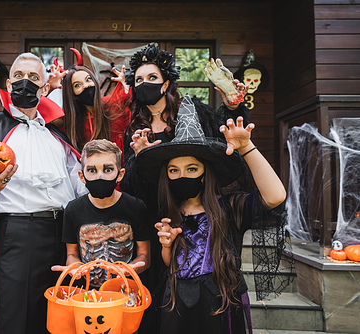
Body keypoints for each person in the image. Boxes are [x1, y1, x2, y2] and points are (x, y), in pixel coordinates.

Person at [119, 44, 250, 324]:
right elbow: (132, 187)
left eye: (152, 78)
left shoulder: (193, 112)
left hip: (198, 216)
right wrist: (139, 158)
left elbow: (224, 142)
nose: (145, 85)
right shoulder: (133, 128)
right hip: (159, 222)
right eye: (139, 80)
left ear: (166, 83)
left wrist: (233, 103)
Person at [134, 95, 287, 333]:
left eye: (191, 169)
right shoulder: (168, 212)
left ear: (206, 173)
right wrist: (167, 246)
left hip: (219, 306)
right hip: (176, 303)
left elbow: (275, 196)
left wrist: (246, 147)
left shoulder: (229, 207)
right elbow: (171, 263)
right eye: (174, 170)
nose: (182, 176)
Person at [0, 52, 87, 334]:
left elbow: (79, 186)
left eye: (33, 78)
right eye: (18, 76)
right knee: (16, 314)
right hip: (18, 235)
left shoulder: (57, 135)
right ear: (7, 83)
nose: (24, 82)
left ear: (44, 88)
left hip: (64, 236)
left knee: (58, 315)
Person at [52, 139, 150, 286]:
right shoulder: (73, 210)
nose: (100, 177)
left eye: (108, 169)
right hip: (86, 295)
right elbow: (72, 254)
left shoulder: (136, 207)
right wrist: (75, 267)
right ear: (81, 176)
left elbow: (145, 255)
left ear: (120, 174)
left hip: (126, 291)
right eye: (92, 170)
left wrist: (130, 269)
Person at [48, 49, 131, 159]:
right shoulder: (68, 121)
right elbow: (37, 114)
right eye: (77, 85)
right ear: (72, 94)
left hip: (120, 172)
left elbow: (134, 103)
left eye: (88, 79)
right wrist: (49, 88)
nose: (86, 85)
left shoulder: (114, 106)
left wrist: (127, 85)